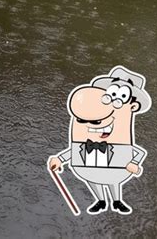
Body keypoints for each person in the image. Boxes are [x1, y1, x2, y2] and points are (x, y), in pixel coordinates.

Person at [48, 65, 151, 215]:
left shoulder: (121, 133)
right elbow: (74, 151)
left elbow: (138, 152)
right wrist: (59, 159)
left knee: (114, 180)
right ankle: (101, 200)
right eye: (109, 96)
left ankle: (117, 201)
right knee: (94, 180)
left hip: (116, 170)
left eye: (120, 99)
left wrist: (134, 164)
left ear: (133, 106)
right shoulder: (88, 122)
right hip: (88, 169)